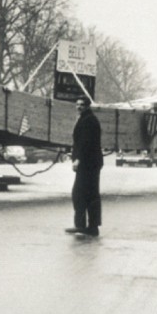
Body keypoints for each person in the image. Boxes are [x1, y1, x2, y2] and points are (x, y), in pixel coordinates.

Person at [66, 96, 104, 238]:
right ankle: (89, 227)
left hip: (88, 164)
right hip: (91, 163)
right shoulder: (86, 119)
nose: (78, 107)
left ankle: (84, 226)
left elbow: (85, 143)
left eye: (82, 105)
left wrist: (78, 160)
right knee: (89, 194)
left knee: (81, 193)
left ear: (88, 106)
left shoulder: (89, 121)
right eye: (77, 104)